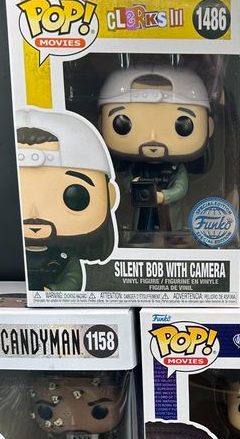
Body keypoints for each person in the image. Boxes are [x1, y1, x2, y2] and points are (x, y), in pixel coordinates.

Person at [99, 66, 214, 244]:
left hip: (167, 206)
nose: (153, 137)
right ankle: (143, 234)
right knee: (144, 222)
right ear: (101, 124)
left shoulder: (176, 168)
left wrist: (165, 196)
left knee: (169, 223)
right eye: (122, 124)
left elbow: (181, 187)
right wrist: (133, 185)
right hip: (144, 207)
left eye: (183, 125)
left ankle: (172, 235)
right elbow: (126, 181)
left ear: (209, 126)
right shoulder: (137, 167)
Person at [15, 107, 119, 290]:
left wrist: (56, 291)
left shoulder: (65, 257)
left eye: (75, 197)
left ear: (110, 196)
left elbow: (73, 279)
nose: (34, 214)